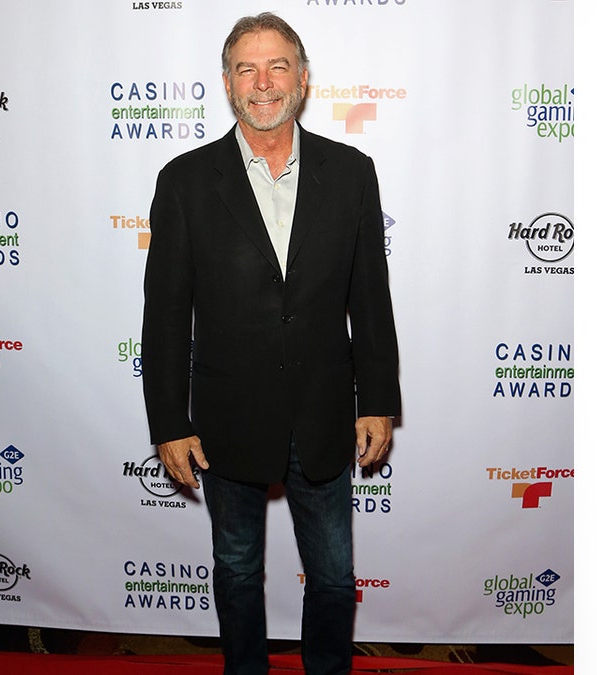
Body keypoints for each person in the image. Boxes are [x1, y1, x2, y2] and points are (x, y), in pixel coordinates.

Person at [141, 12, 401, 675]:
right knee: (235, 571)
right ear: (227, 84)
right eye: (247, 69)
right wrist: (168, 420)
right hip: (228, 418)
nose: (263, 82)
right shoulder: (185, 181)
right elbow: (166, 314)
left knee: (336, 577)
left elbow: (370, 297)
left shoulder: (351, 172)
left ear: (304, 79)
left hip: (323, 412)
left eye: (278, 66)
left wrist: (378, 399)